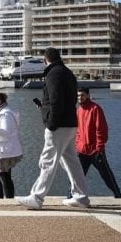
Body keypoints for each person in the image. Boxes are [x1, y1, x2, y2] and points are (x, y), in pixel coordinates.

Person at [16, 47, 91, 209]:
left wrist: (51, 123)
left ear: (45, 60)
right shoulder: (68, 73)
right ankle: (81, 197)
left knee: (48, 160)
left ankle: (37, 197)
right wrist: (46, 109)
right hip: (70, 123)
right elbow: (64, 100)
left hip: (59, 125)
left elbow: (56, 101)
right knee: (72, 162)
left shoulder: (53, 74)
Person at [74, 87, 121, 198]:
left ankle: (117, 193)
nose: (80, 98)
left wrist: (99, 148)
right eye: (78, 96)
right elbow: (78, 131)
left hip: (95, 151)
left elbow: (101, 130)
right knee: (76, 176)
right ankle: (70, 196)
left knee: (106, 174)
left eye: (82, 95)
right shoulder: (79, 110)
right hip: (82, 151)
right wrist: (78, 145)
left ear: (87, 95)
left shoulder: (96, 109)